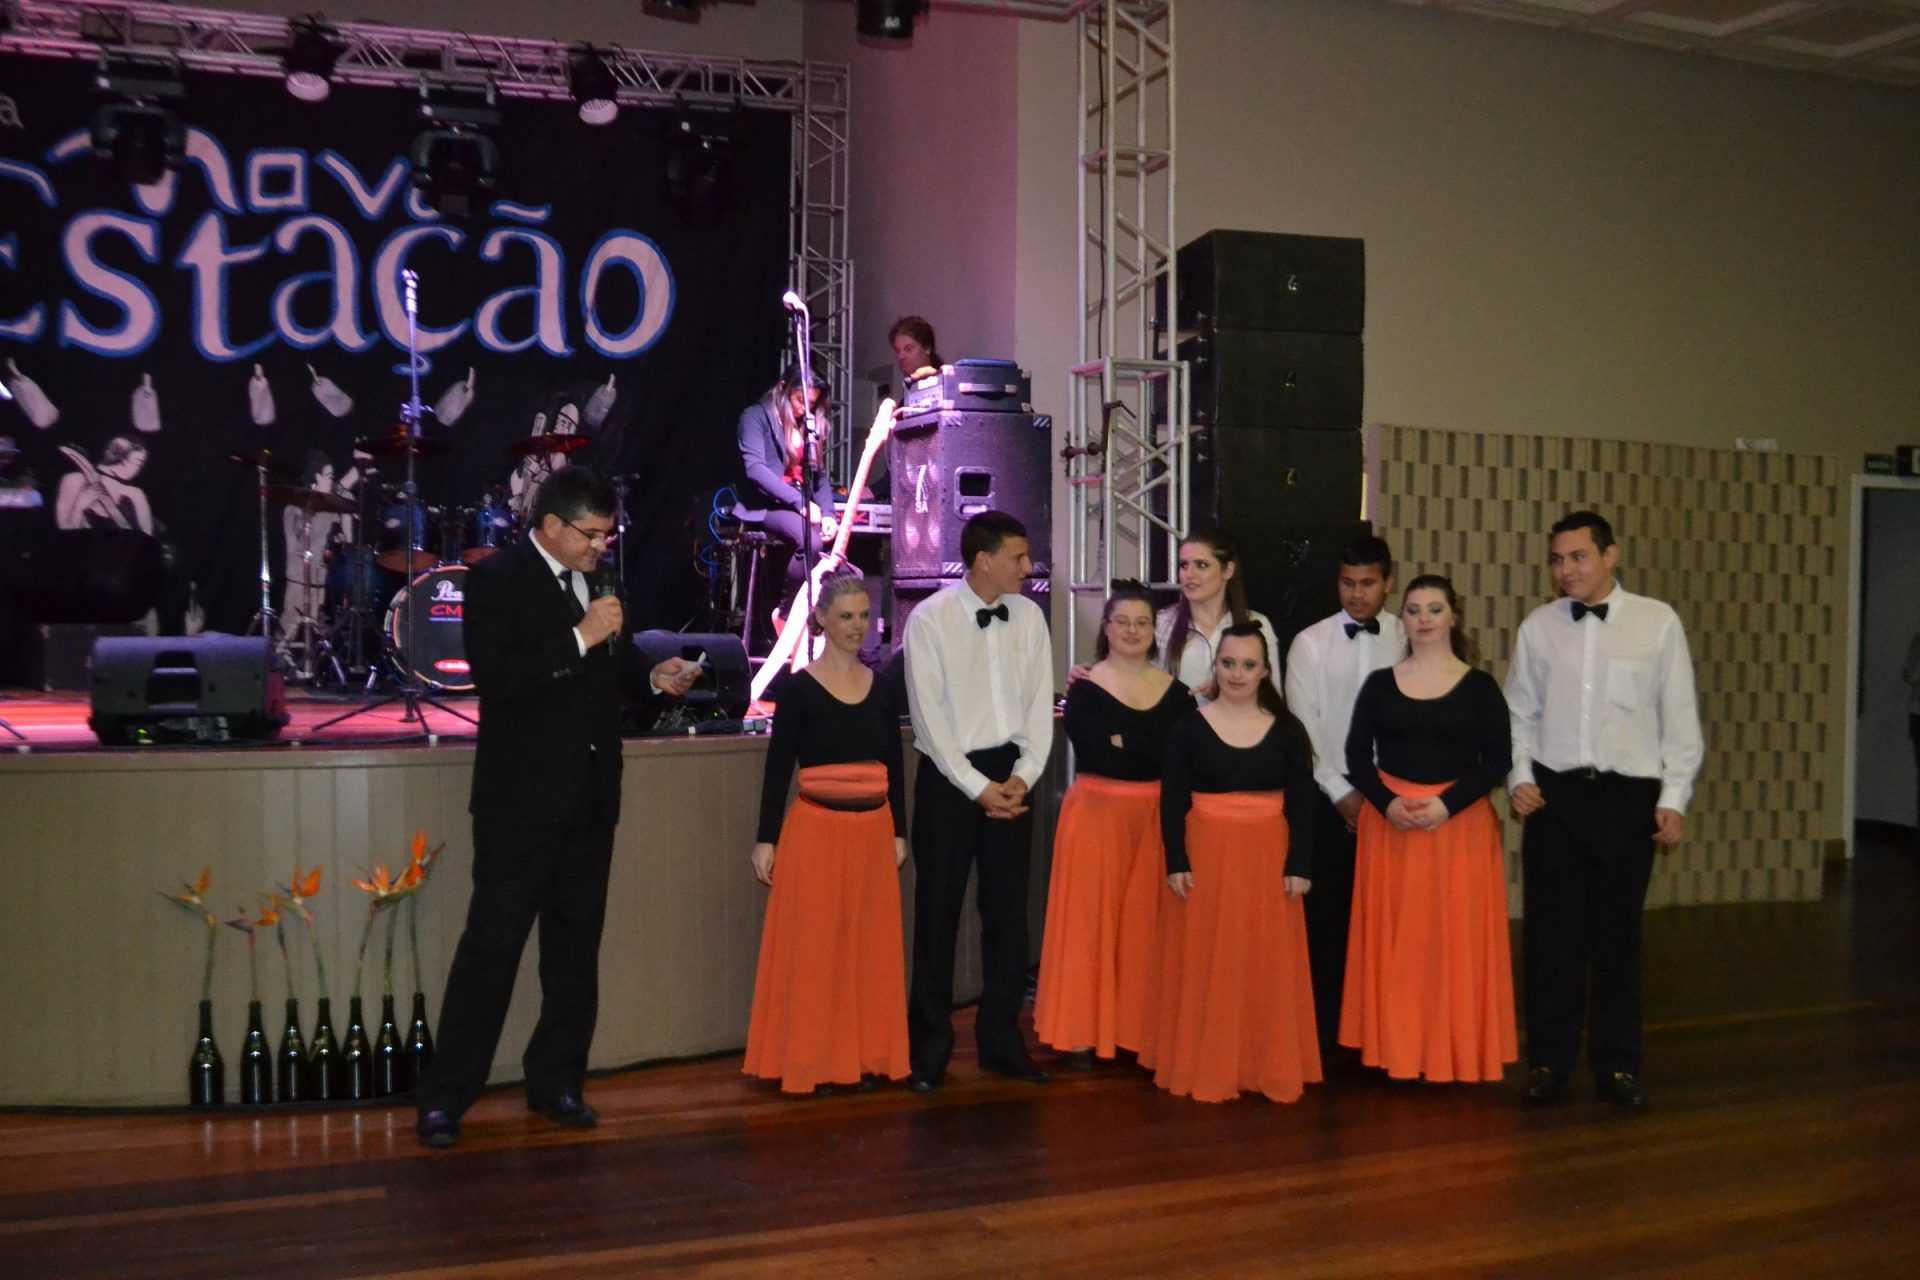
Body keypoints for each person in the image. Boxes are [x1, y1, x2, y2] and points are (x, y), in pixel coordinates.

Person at [415, 466, 700, 1148]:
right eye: (591, 534)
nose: (601, 546)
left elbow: (613, 666)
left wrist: (652, 677)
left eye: (607, 535)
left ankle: (557, 1083)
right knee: (491, 951)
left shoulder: (599, 584)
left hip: (591, 797)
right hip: (520, 803)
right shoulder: (496, 580)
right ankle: (446, 1098)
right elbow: (500, 678)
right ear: (549, 525)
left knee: (573, 954)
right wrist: (581, 637)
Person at [1506, 511, 1702, 1110]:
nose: (1566, 570)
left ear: (1610, 556)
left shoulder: (1657, 622)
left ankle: (1618, 1067)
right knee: (1552, 939)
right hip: (1555, 799)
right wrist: (1520, 777)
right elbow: (1519, 714)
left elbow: (1680, 721)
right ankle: (1549, 1062)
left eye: (1578, 557)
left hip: (1626, 799)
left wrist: (1673, 799)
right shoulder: (1538, 628)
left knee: (1617, 938)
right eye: (1557, 560)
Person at [1340, 575, 1516, 1084]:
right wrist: (1387, 803)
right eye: (1414, 610)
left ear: (1453, 617)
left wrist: (1447, 805)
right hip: (1391, 827)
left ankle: (1451, 1051)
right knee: (1399, 948)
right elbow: (1356, 755)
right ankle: (1396, 1050)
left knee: (1450, 946)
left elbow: (1498, 761)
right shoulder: (1379, 684)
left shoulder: (1480, 688)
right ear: (1403, 618)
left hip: (1457, 829)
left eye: (1434, 609)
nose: (1423, 619)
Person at [903, 510, 1055, 1091]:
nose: (1028, 566)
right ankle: (929, 1050)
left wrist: (1024, 776)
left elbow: (1039, 706)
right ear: (983, 560)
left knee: (1009, 915)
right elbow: (930, 719)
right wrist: (978, 788)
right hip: (949, 780)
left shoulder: (1030, 616)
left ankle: (1002, 1043)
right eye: (1018, 556)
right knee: (937, 914)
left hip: (1013, 775)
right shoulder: (930, 619)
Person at [744, 570, 911, 1095]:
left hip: (873, 832)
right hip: (815, 833)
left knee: (868, 949)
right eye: (845, 616)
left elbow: (894, 765)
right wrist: (766, 837)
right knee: (816, 952)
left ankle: (864, 1057)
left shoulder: (883, 688)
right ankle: (811, 1061)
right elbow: (778, 767)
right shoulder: (798, 691)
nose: (856, 626)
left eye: (863, 616)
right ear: (821, 619)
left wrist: (899, 831)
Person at [1141, 623, 1320, 1103]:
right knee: (1206, 962)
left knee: (1263, 962)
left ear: (1265, 672)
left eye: (1247, 665)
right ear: (1215, 667)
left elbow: (1303, 802)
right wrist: (1176, 858)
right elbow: (1172, 800)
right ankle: (1205, 1062)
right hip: (1205, 861)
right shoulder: (1187, 728)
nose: (1237, 673)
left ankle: (1262, 1063)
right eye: (1228, 663)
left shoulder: (1288, 730)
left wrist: (1299, 864)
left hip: (1268, 864)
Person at [1034, 582, 1195, 1071]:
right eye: (1122, 622)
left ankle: (1136, 1031)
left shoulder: (1178, 694)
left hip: (1155, 820)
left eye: (1142, 623)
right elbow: (1101, 756)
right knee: (1090, 925)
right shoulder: (1084, 689)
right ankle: (1081, 1033)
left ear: (1154, 631)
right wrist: (1150, 745)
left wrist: (1128, 740)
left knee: (1147, 926)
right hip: (1097, 817)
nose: (1132, 631)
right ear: (1105, 628)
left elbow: (1181, 760)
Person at [1284, 534, 1407, 1052]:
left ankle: (1385, 1033)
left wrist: (1381, 795)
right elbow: (1303, 728)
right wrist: (1341, 793)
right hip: (1325, 800)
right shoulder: (1309, 643)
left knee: (1390, 923)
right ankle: (1327, 1037)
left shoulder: (1410, 637)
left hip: (1395, 801)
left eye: (1368, 583)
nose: (1356, 594)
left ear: (1389, 583)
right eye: (1347, 583)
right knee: (1328, 920)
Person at [737, 363, 837, 646]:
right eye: (800, 400)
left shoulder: (809, 426)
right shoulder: (755, 416)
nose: (805, 409)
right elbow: (755, 469)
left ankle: (819, 624)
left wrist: (829, 513)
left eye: (812, 404)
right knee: (811, 542)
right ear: (782, 388)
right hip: (765, 505)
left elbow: (818, 477)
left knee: (833, 545)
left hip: (797, 504)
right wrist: (800, 502)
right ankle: (785, 613)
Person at [1156, 528, 1281, 702]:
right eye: (1184, 565)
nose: (1189, 574)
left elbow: (1273, 699)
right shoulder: (1161, 623)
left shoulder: (1256, 624)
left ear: (1228, 570)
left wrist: (1227, 691)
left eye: (1202, 565)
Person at [889, 315, 943, 384]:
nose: (901, 356)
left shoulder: (945, 381)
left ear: (927, 347)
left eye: (908, 349)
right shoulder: (908, 385)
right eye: (897, 351)